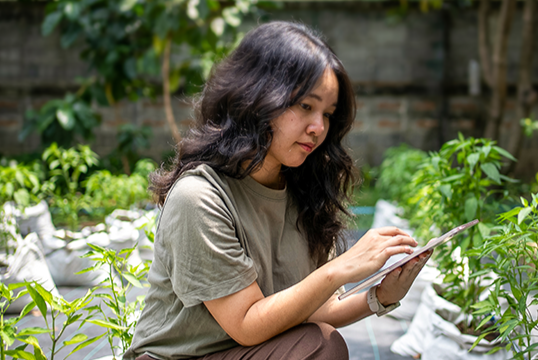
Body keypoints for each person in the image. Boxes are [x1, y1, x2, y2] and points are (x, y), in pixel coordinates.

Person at [123, 21, 431, 360]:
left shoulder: (302, 190)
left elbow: (316, 308)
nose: (318, 128)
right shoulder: (199, 198)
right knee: (322, 347)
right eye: (305, 106)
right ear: (257, 97)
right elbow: (246, 324)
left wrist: (381, 295)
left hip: (256, 350)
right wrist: (340, 267)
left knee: (321, 342)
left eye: (327, 114)